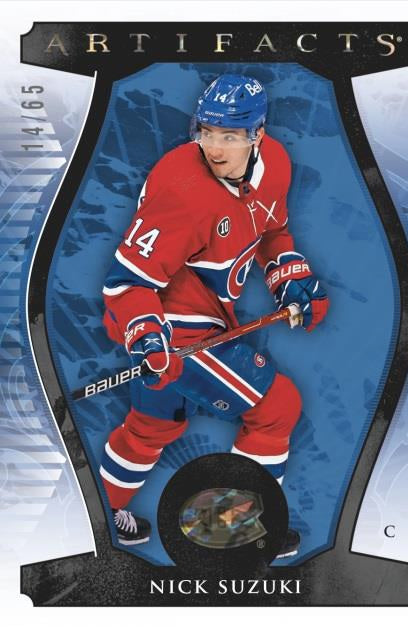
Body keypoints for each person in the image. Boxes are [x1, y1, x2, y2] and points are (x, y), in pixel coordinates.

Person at [100, 74, 329, 557]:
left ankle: (95, 515)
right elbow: (127, 283)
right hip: (173, 326)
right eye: (206, 132)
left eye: (229, 135)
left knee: (152, 426)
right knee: (277, 407)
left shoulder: (276, 164)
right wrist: (149, 337)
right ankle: (237, 531)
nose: (214, 147)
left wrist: (289, 277)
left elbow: (273, 233)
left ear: (257, 135)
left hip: (208, 315)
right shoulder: (182, 190)